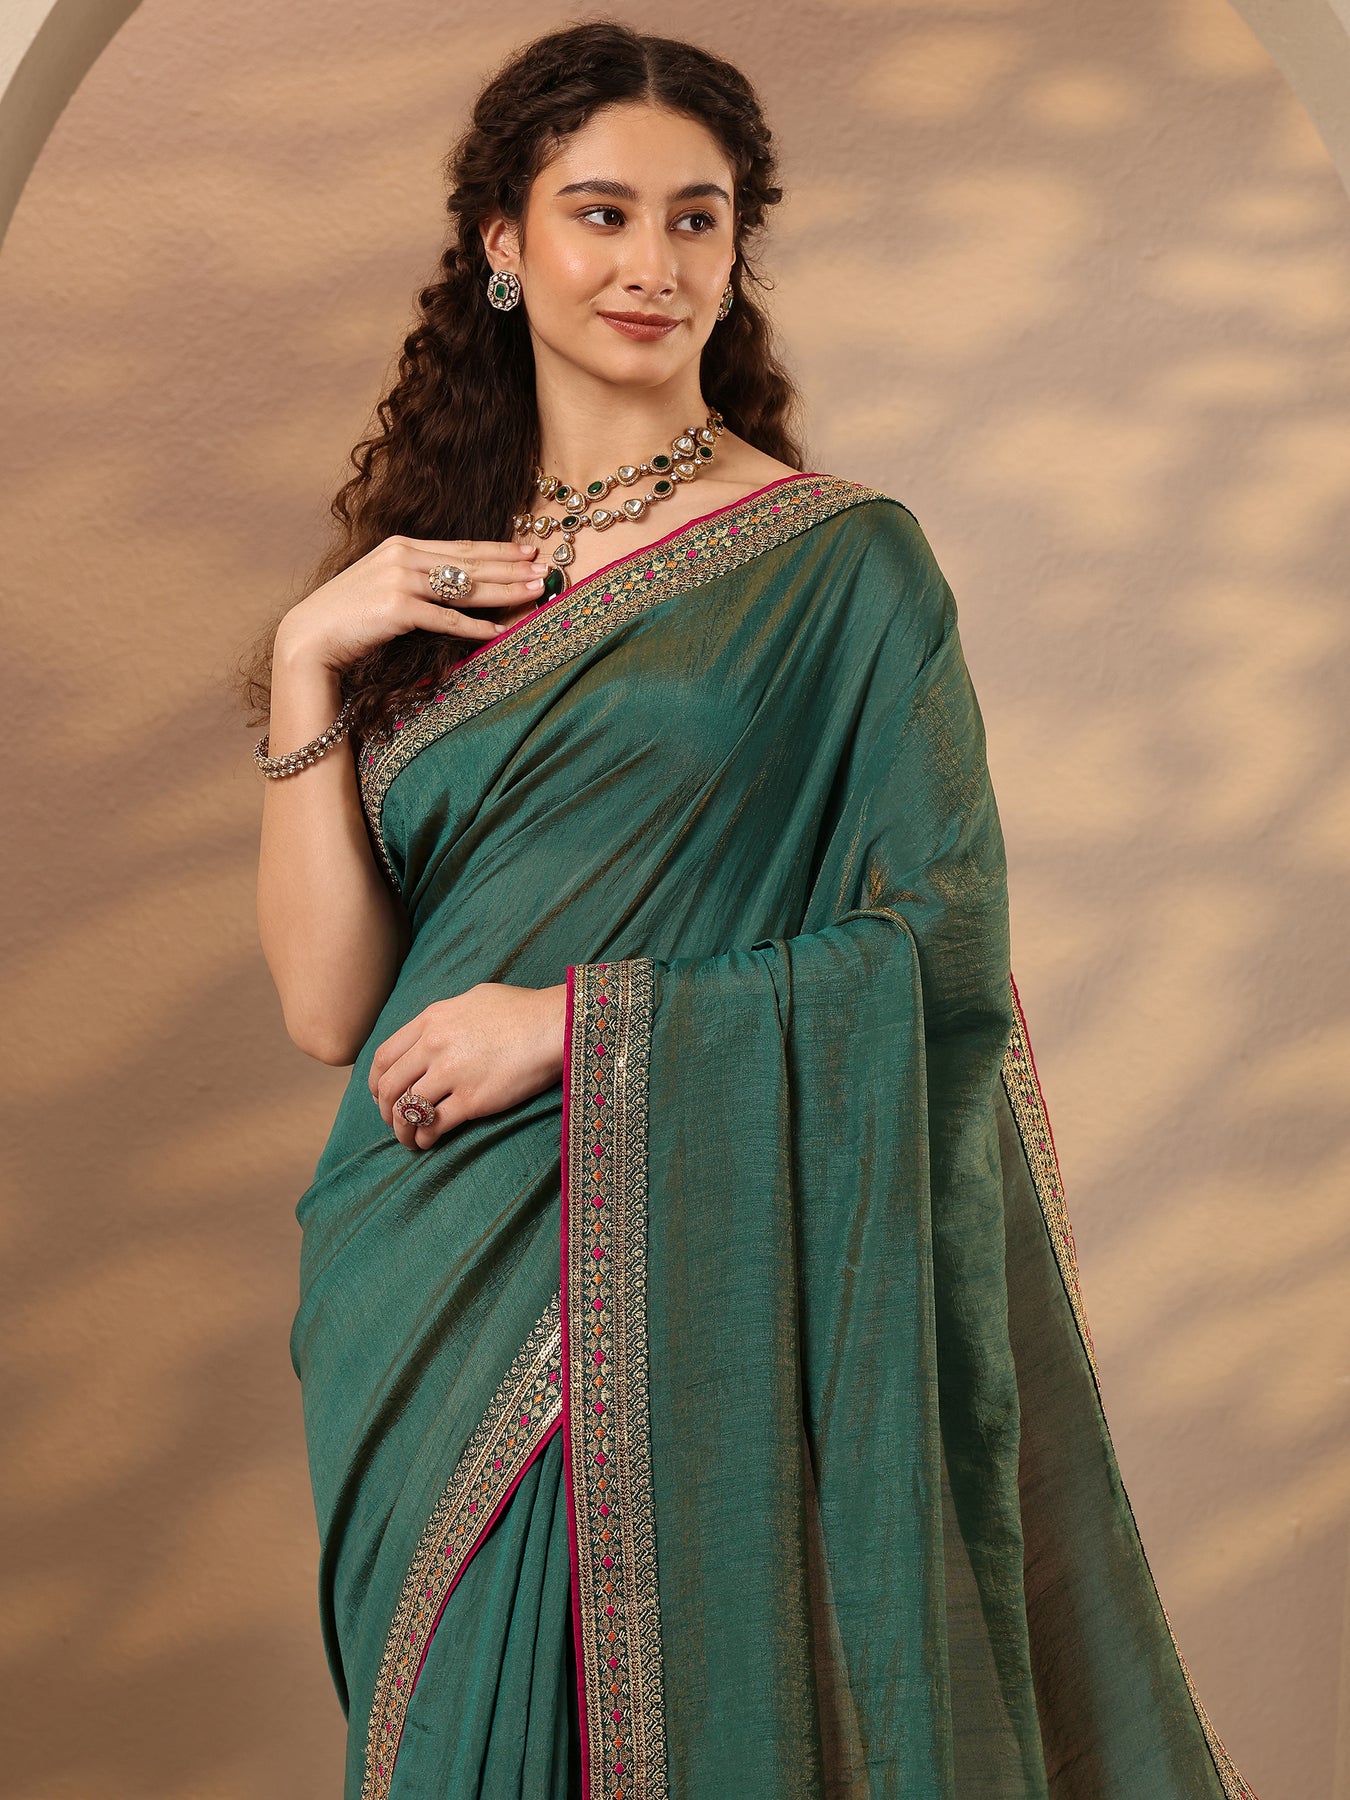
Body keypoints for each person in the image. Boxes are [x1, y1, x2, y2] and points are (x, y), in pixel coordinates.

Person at [239, 21, 1258, 1800]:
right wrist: (305, 657)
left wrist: (573, 1031)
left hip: (672, 1240)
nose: (651, 262)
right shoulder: (415, 586)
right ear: (501, 240)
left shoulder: (838, 564)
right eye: (600, 212)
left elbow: (941, 943)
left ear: (736, 251)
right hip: (421, 1264)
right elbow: (333, 1012)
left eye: (694, 219)